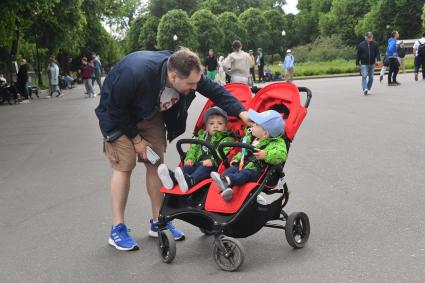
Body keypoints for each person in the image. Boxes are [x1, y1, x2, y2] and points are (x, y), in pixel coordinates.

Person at [95, 48, 250, 251]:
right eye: (190, 84)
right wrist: (136, 140)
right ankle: (118, 228)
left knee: (156, 164)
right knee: (124, 166)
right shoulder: (136, 73)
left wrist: (242, 112)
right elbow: (116, 108)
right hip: (117, 116)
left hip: (149, 113)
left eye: (196, 82)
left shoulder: (187, 70)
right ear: (173, 76)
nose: (195, 88)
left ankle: (158, 221)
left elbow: (216, 91)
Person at [210, 109, 287, 201]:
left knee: (244, 174)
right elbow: (244, 152)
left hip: (255, 171)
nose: (253, 125)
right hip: (242, 165)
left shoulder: (276, 143)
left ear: (265, 133)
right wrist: (237, 159)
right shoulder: (254, 139)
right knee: (230, 170)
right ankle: (226, 188)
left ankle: (227, 181)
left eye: (256, 124)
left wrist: (266, 155)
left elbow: (281, 155)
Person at [157, 106, 234, 192]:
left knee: (202, 169)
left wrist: (212, 161)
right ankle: (172, 178)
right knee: (186, 168)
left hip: (212, 166)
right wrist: (189, 158)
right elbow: (193, 149)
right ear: (207, 127)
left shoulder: (227, 139)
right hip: (197, 163)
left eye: (220, 123)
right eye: (211, 124)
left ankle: (190, 181)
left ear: (226, 127)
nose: (215, 126)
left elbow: (224, 152)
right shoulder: (201, 137)